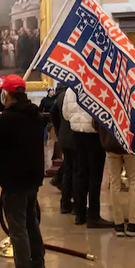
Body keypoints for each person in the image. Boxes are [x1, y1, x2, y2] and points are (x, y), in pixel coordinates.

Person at [0, 75, 46, 268]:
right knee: (31, 222)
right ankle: (38, 265)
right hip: (33, 177)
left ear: (8, 94)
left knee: (18, 229)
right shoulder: (36, 115)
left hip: (14, 179)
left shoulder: (7, 119)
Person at [63, 88, 113, 228]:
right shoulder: (96, 85)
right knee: (95, 177)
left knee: (80, 174)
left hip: (77, 134)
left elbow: (66, 114)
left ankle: (79, 214)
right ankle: (93, 215)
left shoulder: (70, 89)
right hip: (94, 136)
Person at [94, 121, 135, 237]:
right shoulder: (132, 103)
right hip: (130, 144)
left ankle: (118, 224)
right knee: (134, 181)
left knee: (114, 182)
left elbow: (95, 123)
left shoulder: (106, 102)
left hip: (110, 145)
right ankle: (133, 223)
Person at [50, 84, 75, 214]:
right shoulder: (69, 95)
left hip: (65, 137)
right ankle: (67, 202)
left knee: (69, 168)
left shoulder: (59, 96)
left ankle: (66, 201)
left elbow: (53, 116)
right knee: (73, 171)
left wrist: (60, 132)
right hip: (73, 137)